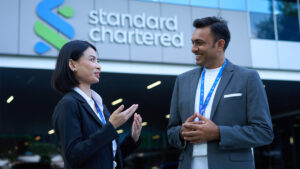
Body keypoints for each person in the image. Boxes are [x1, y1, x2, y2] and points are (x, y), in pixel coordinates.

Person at [167, 16, 274, 169]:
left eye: (199, 43)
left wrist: (218, 133)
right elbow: (171, 131)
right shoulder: (182, 81)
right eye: (193, 42)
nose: (193, 48)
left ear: (220, 44)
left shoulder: (247, 78)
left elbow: (264, 132)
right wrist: (181, 133)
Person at [51, 40, 142, 169]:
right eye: (92, 60)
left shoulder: (100, 106)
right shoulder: (68, 104)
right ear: (72, 64)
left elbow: (108, 157)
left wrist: (133, 138)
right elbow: (73, 157)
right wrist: (111, 127)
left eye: (98, 61)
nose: (98, 66)